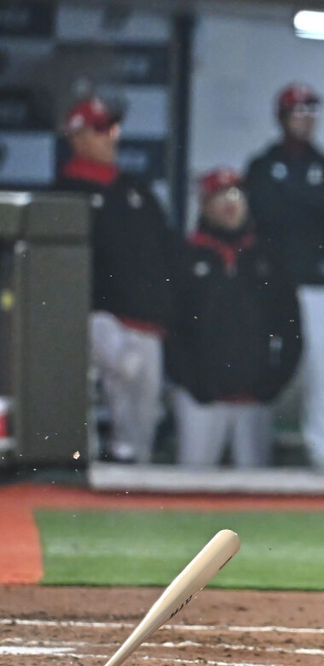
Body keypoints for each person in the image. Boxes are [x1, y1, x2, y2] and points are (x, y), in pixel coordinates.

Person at [55, 96, 175, 463]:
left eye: (113, 128)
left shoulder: (136, 190)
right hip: (90, 315)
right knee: (98, 383)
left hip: (142, 317)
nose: (112, 137)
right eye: (101, 129)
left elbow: (164, 252)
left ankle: (132, 474)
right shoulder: (63, 194)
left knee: (142, 412)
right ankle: (81, 472)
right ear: (78, 137)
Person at [164, 168, 302, 467]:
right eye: (220, 196)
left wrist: (273, 383)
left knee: (256, 496)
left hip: (253, 398)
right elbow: (169, 328)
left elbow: (291, 327)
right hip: (200, 397)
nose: (230, 204)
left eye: (236, 195)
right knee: (192, 486)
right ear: (204, 204)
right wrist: (190, 382)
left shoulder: (266, 256)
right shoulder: (185, 256)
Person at [244, 83, 324, 469]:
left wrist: (289, 194)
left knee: (322, 372)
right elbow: (266, 210)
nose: (305, 118)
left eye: (310, 110)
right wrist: (304, 198)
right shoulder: (261, 164)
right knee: (264, 362)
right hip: (272, 284)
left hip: (316, 285)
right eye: (297, 111)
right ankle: (255, 453)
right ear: (283, 116)